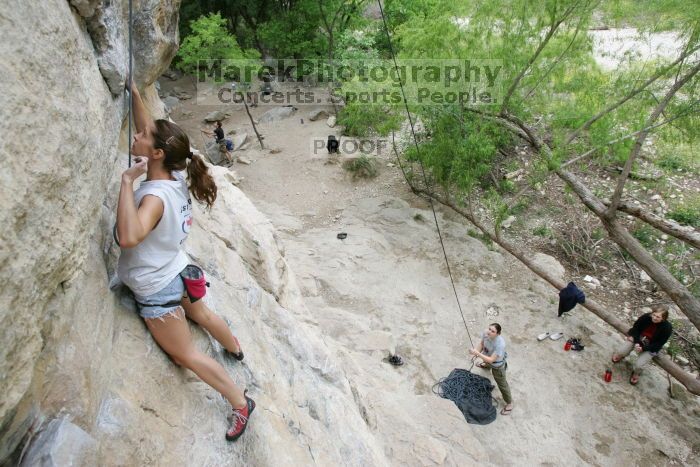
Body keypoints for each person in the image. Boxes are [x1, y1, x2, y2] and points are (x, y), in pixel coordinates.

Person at [117, 80, 254, 442]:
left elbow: (129, 236)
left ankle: (241, 403)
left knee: (187, 355)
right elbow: (154, 133)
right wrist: (134, 96)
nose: (137, 135)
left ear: (157, 153)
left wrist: (125, 183)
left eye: (142, 135)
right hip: (179, 270)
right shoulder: (176, 172)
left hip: (159, 287)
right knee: (204, 315)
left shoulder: (153, 198)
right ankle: (235, 348)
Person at [611, 306, 672, 385]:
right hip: (638, 338)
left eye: (658, 317)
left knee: (638, 365)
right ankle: (621, 355)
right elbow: (636, 328)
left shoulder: (667, 328)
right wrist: (636, 341)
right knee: (621, 351)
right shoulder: (646, 317)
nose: (654, 318)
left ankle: (636, 373)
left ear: (663, 319)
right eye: (653, 315)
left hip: (651, 346)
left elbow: (659, 344)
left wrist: (643, 348)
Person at [469, 323, 513, 415]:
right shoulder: (486, 333)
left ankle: (509, 403)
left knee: (502, 384)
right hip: (487, 358)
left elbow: (492, 359)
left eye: (493, 331)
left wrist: (477, 353)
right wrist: (476, 352)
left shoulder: (500, 344)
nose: (489, 332)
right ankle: (486, 366)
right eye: (489, 329)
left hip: (497, 365)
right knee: (486, 362)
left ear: (498, 334)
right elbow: (481, 344)